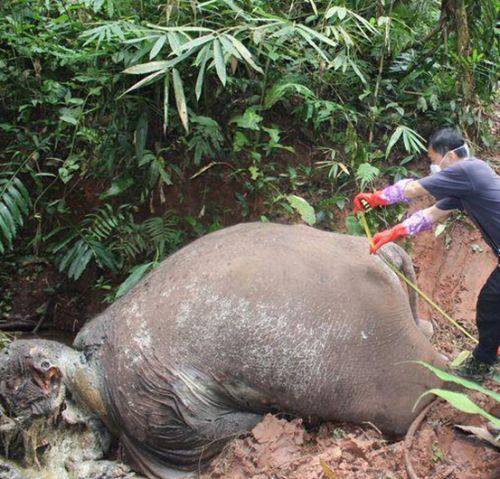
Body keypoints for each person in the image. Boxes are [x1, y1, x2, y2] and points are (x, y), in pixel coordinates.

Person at [353, 127, 500, 382]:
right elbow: (431, 214)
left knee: (489, 306)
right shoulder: (466, 184)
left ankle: (484, 361)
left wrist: (375, 198)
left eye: (434, 161)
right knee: (491, 304)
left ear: (450, 156)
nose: (435, 167)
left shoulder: (467, 171)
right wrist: (393, 233)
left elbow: (412, 191)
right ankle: (489, 354)